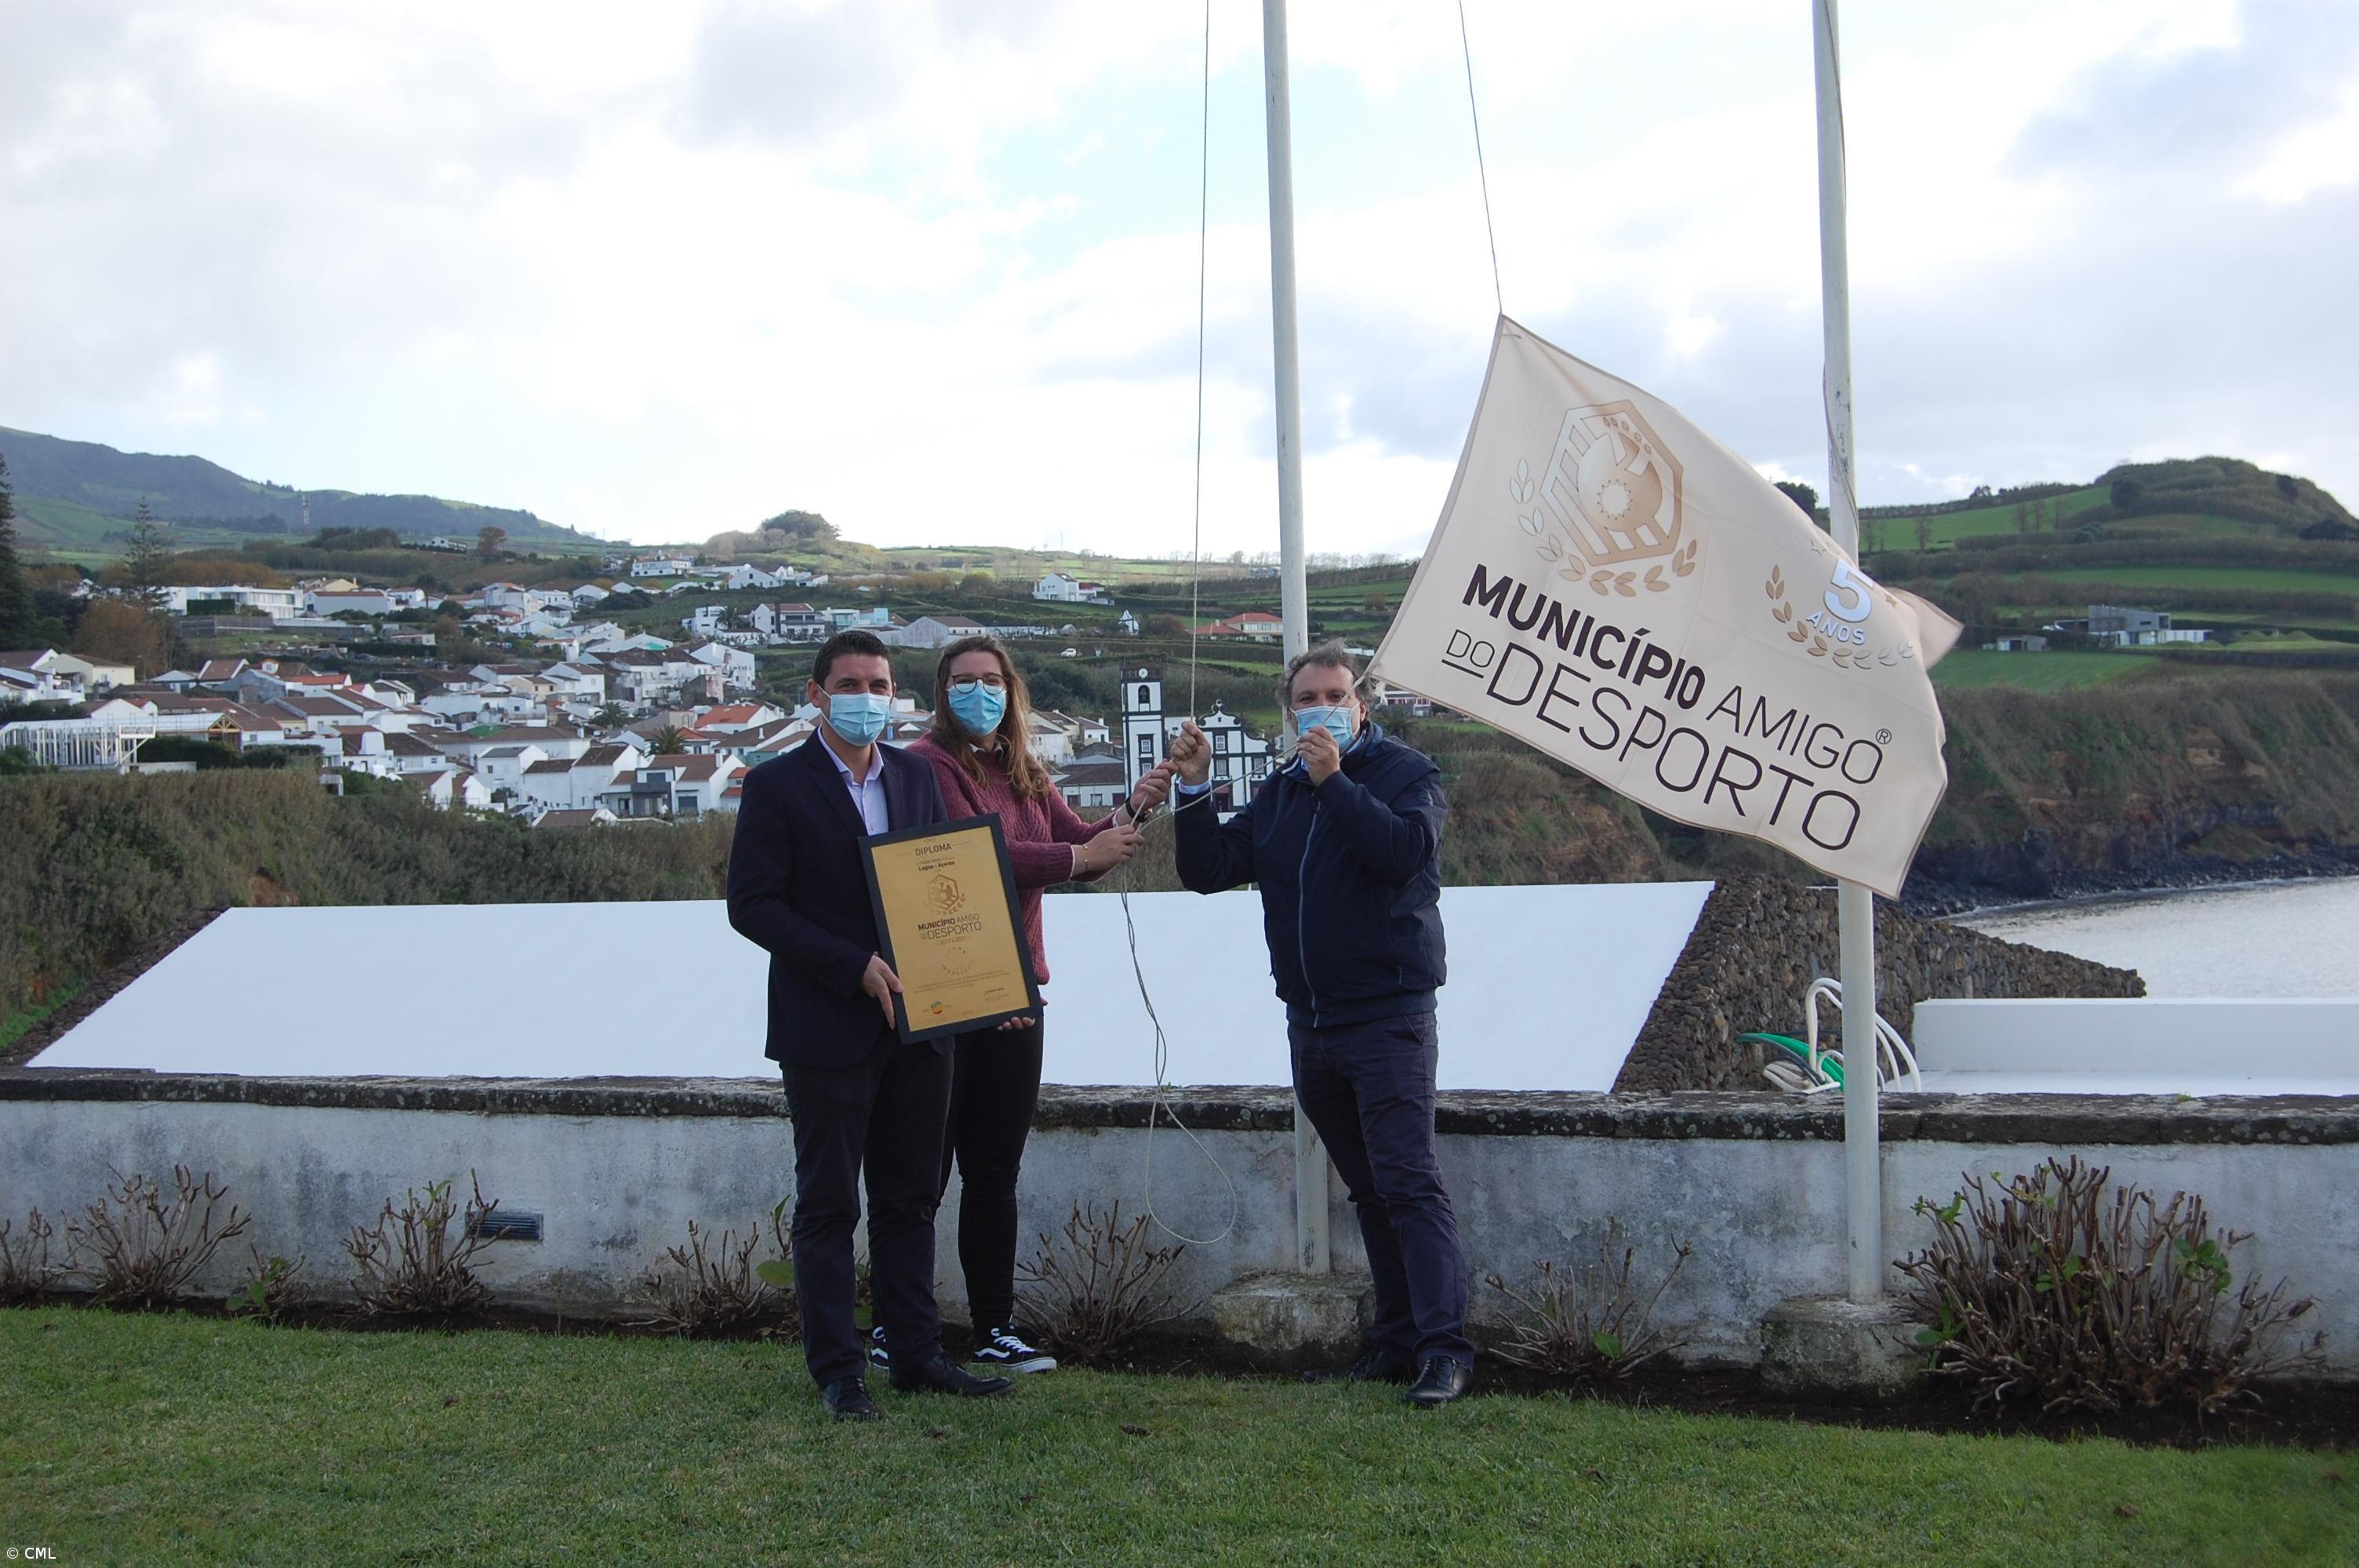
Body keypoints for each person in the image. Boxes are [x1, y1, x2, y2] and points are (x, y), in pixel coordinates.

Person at [1167, 640, 1473, 1406]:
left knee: (1408, 1183)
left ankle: (1444, 1349)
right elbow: (1208, 869)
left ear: (1360, 704)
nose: (1320, 706)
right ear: (1288, 707)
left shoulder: (1406, 775)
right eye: (1307, 695)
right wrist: (1196, 787)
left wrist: (1333, 781)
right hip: (1310, 1023)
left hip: (1388, 1017)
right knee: (1368, 1190)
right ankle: (1395, 1341)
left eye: (1334, 693)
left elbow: (1402, 853)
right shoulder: (1277, 793)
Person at [726, 629, 1013, 1421]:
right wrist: (849, 962)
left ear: (895, 695)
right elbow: (751, 905)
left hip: (921, 1025)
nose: (866, 697)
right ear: (816, 694)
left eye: (879, 684)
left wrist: (989, 979)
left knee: (909, 1197)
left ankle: (916, 1354)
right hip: (826, 1025)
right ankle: (839, 1370)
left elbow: (944, 888)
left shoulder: (918, 776)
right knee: (828, 1205)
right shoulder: (777, 785)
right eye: (849, 683)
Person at [901, 634, 1175, 1376]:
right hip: (952, 997)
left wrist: (1133, 810)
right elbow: (968, 854)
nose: (978, 692)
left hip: (1019, 996)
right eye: (963, 681)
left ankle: (994, 1327)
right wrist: (1077, 857)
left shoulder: (1024, 770)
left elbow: (1080, 847)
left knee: (994, 1173)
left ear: (1011, 690)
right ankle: (900, 1328)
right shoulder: (931, 766)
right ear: (941, 692)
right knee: (922, 1177)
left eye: (991, 680)